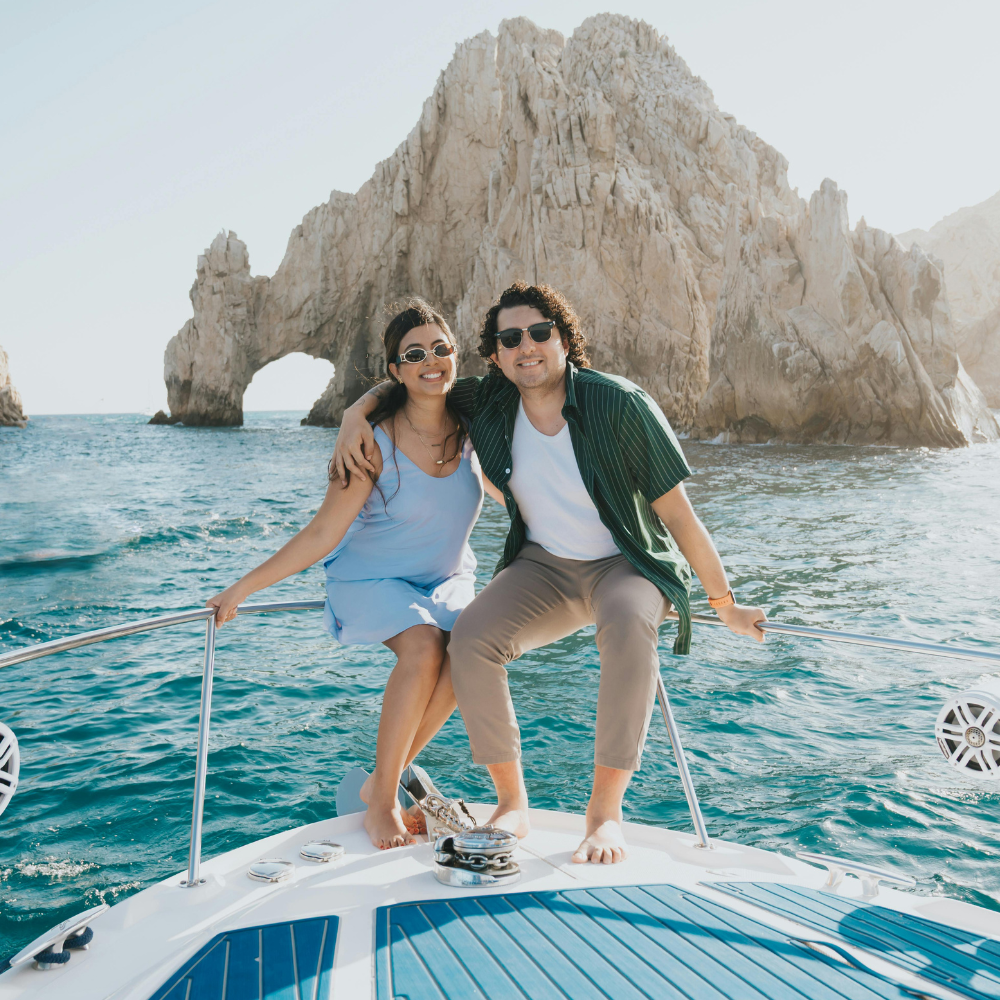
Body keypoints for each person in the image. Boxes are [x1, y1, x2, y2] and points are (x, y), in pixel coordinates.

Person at [333, 281, 766, 864]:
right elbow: (415, 378)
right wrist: (352, 414)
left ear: (564, 339)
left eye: (539, 332)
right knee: (471, 638)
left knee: (627, 626)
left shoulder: (619, 403)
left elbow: (679, 517)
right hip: (545, 567)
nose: (526, 347)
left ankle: (605, 815)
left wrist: (723, 602)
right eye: (510, 339)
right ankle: (512, 801)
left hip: (626, 562)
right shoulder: (488, 403)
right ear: (495, 355)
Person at [207, 299, 496, 850]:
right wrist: (243, 586)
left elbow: (523, 485)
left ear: (455, 355)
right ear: (396, 371)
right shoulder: (372, 441)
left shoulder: (474, 428)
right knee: (424, 649)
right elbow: (322, 533)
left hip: (445, 579)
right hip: (372, 579)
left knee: (469, 657)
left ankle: (376, 783)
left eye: (441, 349)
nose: (430, 361)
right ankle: (382, 802)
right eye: (414, 355)